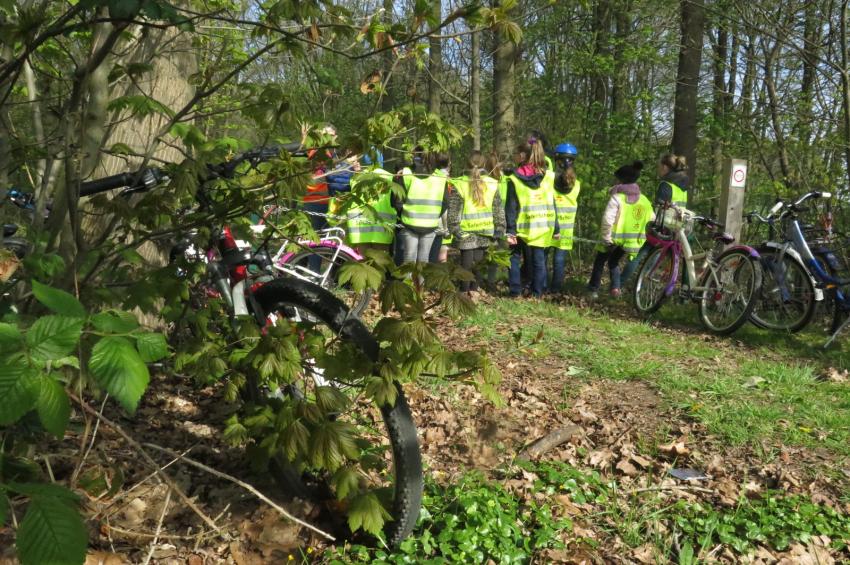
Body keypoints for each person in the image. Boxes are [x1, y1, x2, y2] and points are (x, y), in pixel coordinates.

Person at [587, 161, 653, 299]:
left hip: (612, 239)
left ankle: (593, 290)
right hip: (630, 242)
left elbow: (607, 219)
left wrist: (606, 237)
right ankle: (616, 289)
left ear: (621, 180)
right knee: (613, 262)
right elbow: (652, 219)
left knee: (600, 262)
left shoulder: (617, 198)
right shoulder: (645, 200)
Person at [620, 153, 689, 284]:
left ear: (665, 167)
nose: (658, 169)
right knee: (657, 256)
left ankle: (620, 283)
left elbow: (659, 205)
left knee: (638, 255)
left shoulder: (666, 184)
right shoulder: (683, 186)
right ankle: (644, 284)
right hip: (676, 229)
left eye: (659, 166)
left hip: (661, 227)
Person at [505, 140, 558, 298]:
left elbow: (511, 207)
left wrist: (510, 230)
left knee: (513, 257)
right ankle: (537, 293)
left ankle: (515, 291)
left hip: (522, 226)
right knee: (539, 261)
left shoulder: (515, 178)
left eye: (516, 153)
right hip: (542, 226)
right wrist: (556, 228)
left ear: (522, 156)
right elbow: (553, 203)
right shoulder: (548, 176)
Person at [448, 151, 506, 293]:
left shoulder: (460, 183)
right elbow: (498, 209)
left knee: (465, 264)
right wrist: (499, 229)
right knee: (479, 264)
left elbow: (453, 211)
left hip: (465, 232)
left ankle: (463, 293)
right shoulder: (492, 184)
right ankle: (474, 293)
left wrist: (455, 230)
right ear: (484, 164)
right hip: (485, 231)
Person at [393, 151, 450, 264]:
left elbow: (397, 200)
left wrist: (404, 213)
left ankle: (408, 282)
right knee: (423, 261)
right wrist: (434, 214)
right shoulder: (441, 176)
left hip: (409, 223)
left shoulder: (405, 173)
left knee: (409, 259)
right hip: (430, 224)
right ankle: (421, 282)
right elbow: (445, 202)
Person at [343, 151, 396, 255]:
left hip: (360, 230)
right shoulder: (390, 177)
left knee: (363, 264)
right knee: (380, 264)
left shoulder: (356, 178)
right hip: (382, 230)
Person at [548, 143, 581, 293]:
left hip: (549, 226)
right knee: (559, 261)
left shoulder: (549, 181)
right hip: (566, 230)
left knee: (542, 258)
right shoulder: (577, 185)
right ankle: (555, 289)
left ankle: (540, 286)